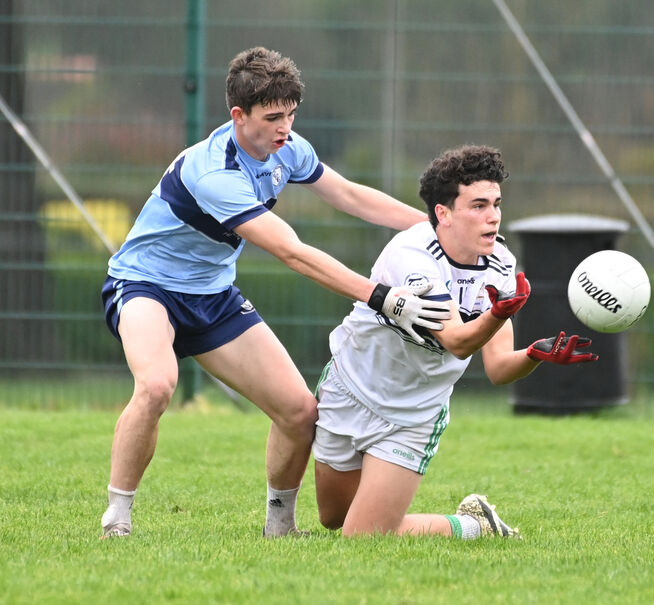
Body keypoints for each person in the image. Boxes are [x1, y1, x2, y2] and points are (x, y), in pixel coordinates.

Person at [98, 47, 450, 539]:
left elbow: (348, 195)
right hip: (145, 287)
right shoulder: (214, 173)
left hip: (213, 295)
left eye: (290, 114)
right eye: (273, 117)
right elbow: (293, 252)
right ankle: (117, 518)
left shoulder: (288, 148)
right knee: (157, 385)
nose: (285, 128)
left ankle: (279, 528)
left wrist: (437, 226)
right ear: (238, 116)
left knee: (300, 411)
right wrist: (383, 297)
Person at [312, 144, 598, 538]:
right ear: (442, 214)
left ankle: (474, 526)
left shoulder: (500, 266)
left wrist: (534, 355)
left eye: (496, 204)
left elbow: (498, 369)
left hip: (413, 415)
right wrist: (497, 314)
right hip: (351, 388)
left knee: (363, 536)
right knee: (334, 519)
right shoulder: (412, 253)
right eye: (478, 205)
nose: (493, 217)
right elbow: (456, 342)